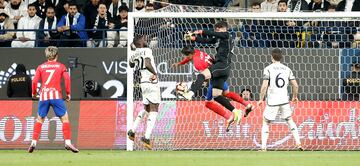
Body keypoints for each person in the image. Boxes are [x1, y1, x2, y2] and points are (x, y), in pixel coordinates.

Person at [172, 46, 255, 128]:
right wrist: (179, 64)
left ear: (189, 54)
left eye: (185, 56)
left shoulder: (198, 64)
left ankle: (230, 116)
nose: (185, 57)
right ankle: (247, 105)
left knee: (208, 103)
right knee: (226, 93)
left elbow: (206, 75)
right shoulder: (197, 52)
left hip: (214, 78)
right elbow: (189, 58)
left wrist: (203, 83)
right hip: (219, 71)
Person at [182, 21, 243, 124]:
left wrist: (199, 31)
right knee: (217, 95)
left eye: (217, 29)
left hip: (222, 65)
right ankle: (236, 111)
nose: (216, 31)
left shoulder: (227, 35)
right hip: (222, 68)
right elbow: (208, 41)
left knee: (202, 75)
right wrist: (194, 38)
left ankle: (191, 93)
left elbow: (214, 34)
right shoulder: (220, 39)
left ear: (221, 28)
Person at [28, 46, 79, 153]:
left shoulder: (41, 67)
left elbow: (34, 81)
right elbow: (67, 79)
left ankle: (33, 142)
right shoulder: (61, 66)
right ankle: (68, 142)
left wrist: (33, 93)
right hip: (56, 95)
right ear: (57, 55)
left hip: (43, 95)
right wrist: (68, 93)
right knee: (65, 119)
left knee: (39, 119)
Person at [257, 48, 302, 151]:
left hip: (272, 100)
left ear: (272, 57)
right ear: (281, 58)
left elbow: (264, 86)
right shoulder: (287, 69)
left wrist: (261, 99)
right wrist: (294, 97)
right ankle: (298, 143)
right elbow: (295, 85)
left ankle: (263, 147)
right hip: (284, 100)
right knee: (290, 120)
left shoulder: (268, 69)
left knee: (266, 122)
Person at [127, 35, 160, 150]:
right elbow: (147, 63)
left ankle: (132, 130)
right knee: (154, 108)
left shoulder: (132, 54)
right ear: (139, 42)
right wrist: (155, 73)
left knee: (146, 108)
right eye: (144, 40)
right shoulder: (147, 50)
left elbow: (131, 65)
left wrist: (134, 50)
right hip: (151, 81)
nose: (146, 41)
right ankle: (146, 137)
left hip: (143, 82)